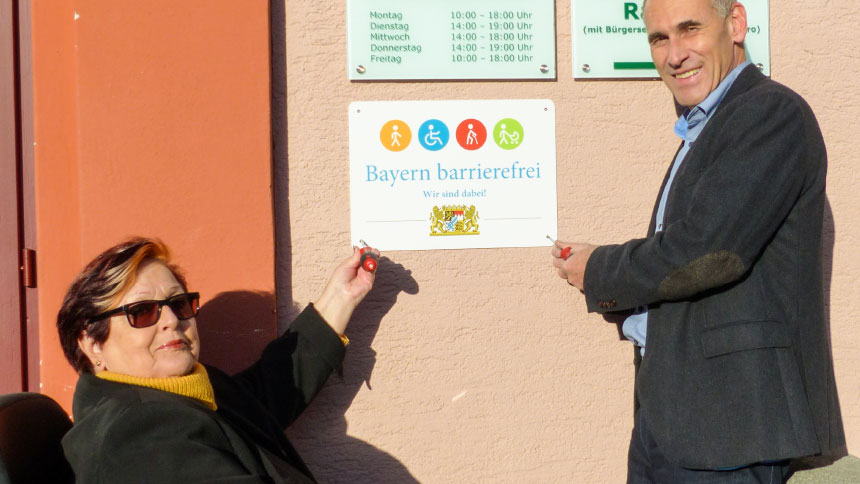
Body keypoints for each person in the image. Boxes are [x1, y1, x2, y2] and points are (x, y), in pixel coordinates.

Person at [551, 0, 845, 482]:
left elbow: (710, 254)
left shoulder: (769, 112)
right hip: (673, 419)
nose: (674, 54)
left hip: (731, 429)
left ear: (735, 24)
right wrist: (627, 306)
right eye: (659, 38)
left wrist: (600, 270)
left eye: (689, 29)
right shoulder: (706, 126)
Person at [57, 236, 378, 483]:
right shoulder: (136, 434)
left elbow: (261, 398)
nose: (171, 319)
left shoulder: (183, 393)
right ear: (91, 344)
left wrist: (340, 298)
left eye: (178, 303)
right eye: (141, 312)